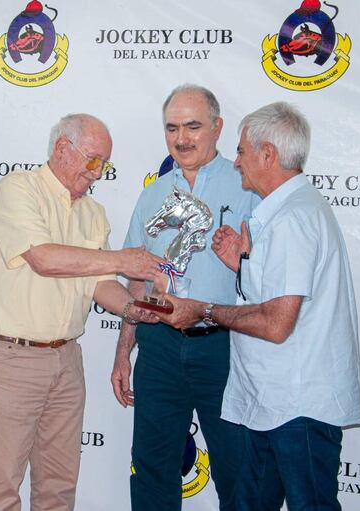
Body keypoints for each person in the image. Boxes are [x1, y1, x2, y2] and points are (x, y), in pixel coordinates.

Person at [157, 102, 360, 511]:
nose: (236, 163)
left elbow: (275, 323)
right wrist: (244, 265)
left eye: (241, 152)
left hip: (296, 405)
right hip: (272, 401)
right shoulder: (288, 213)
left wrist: (203, 310)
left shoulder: (293, 219)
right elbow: (279, 297)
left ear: (267, 154)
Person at [0, 113, 163, 511]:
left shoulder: (94, 213)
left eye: (103, 165)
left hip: (67, 360)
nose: (97, 173)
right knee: (0, 489)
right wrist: (124, 260)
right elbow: (43, 258)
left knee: (58, 487)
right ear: (62, 149)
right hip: (11, 358)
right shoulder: (17, 190)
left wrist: (132, 308)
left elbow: (99, 283)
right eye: (93, 160)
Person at [111, 84, 260, 511]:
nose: (182, 138)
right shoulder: (153, 195)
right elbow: (136, 284)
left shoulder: (248, 186)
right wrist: (125, 352)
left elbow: (271, 275)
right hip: (157, 349)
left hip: (226, 346)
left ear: (217, 128)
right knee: (152, 470)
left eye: (193, 126)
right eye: (172, 128)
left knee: (239, 470)